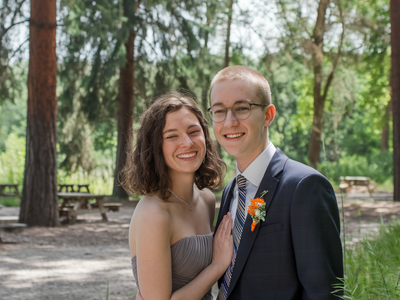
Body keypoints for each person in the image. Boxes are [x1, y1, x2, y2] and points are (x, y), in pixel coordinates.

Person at [209, 65, 343, 300]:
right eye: (219, 111)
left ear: (268, 115)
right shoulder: (231, 190)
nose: (229, 122)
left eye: (242, 108)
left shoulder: (305, 186)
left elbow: (323, 293)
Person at [121, 90, 233, 300]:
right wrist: (217, 266)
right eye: (172, 136)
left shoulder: (206, 199)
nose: (187, 143)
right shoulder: (153, 214)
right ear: (155, 147)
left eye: (193, 131)